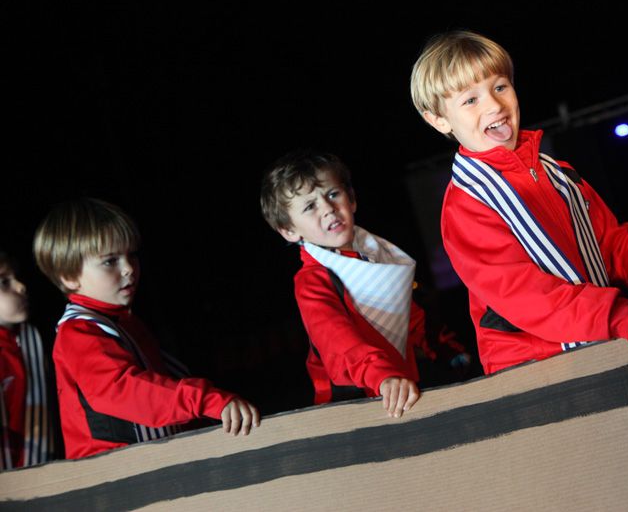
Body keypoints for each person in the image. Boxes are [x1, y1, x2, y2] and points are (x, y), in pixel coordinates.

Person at [410, 30, 628, 375]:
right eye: (470, 100)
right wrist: (618, 314)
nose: (494, 106)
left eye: (500, 87)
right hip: (529, 370)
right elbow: (528, 298)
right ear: (437, 119)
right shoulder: (466, 204)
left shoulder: (559, 174)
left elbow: (617, 252)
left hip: (596, 347)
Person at [33, 198, 260, 459]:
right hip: (112, 473)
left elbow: (163, 391)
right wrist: (206, 400)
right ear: (69, 276)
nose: (129, 268)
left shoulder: (126, 323)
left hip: (149, 461)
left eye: (132, 255)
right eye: (110, 261)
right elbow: (126, 390)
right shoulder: (78, 334)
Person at [261, 150, 455, 418]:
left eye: (333, 194)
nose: (328, 208)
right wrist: (383, 376)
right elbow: (339, 344)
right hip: (356, 405)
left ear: (351, 200)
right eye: (309, 206)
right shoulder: (312, 281)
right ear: (289, 231)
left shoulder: (376, 253)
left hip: (403, 389)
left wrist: (446, 349)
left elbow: (410, 318)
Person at [0, 250, 56, 469]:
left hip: (40, 465)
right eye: (4, 282)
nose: (21, 286)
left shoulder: (33, 339)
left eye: (16, 277)